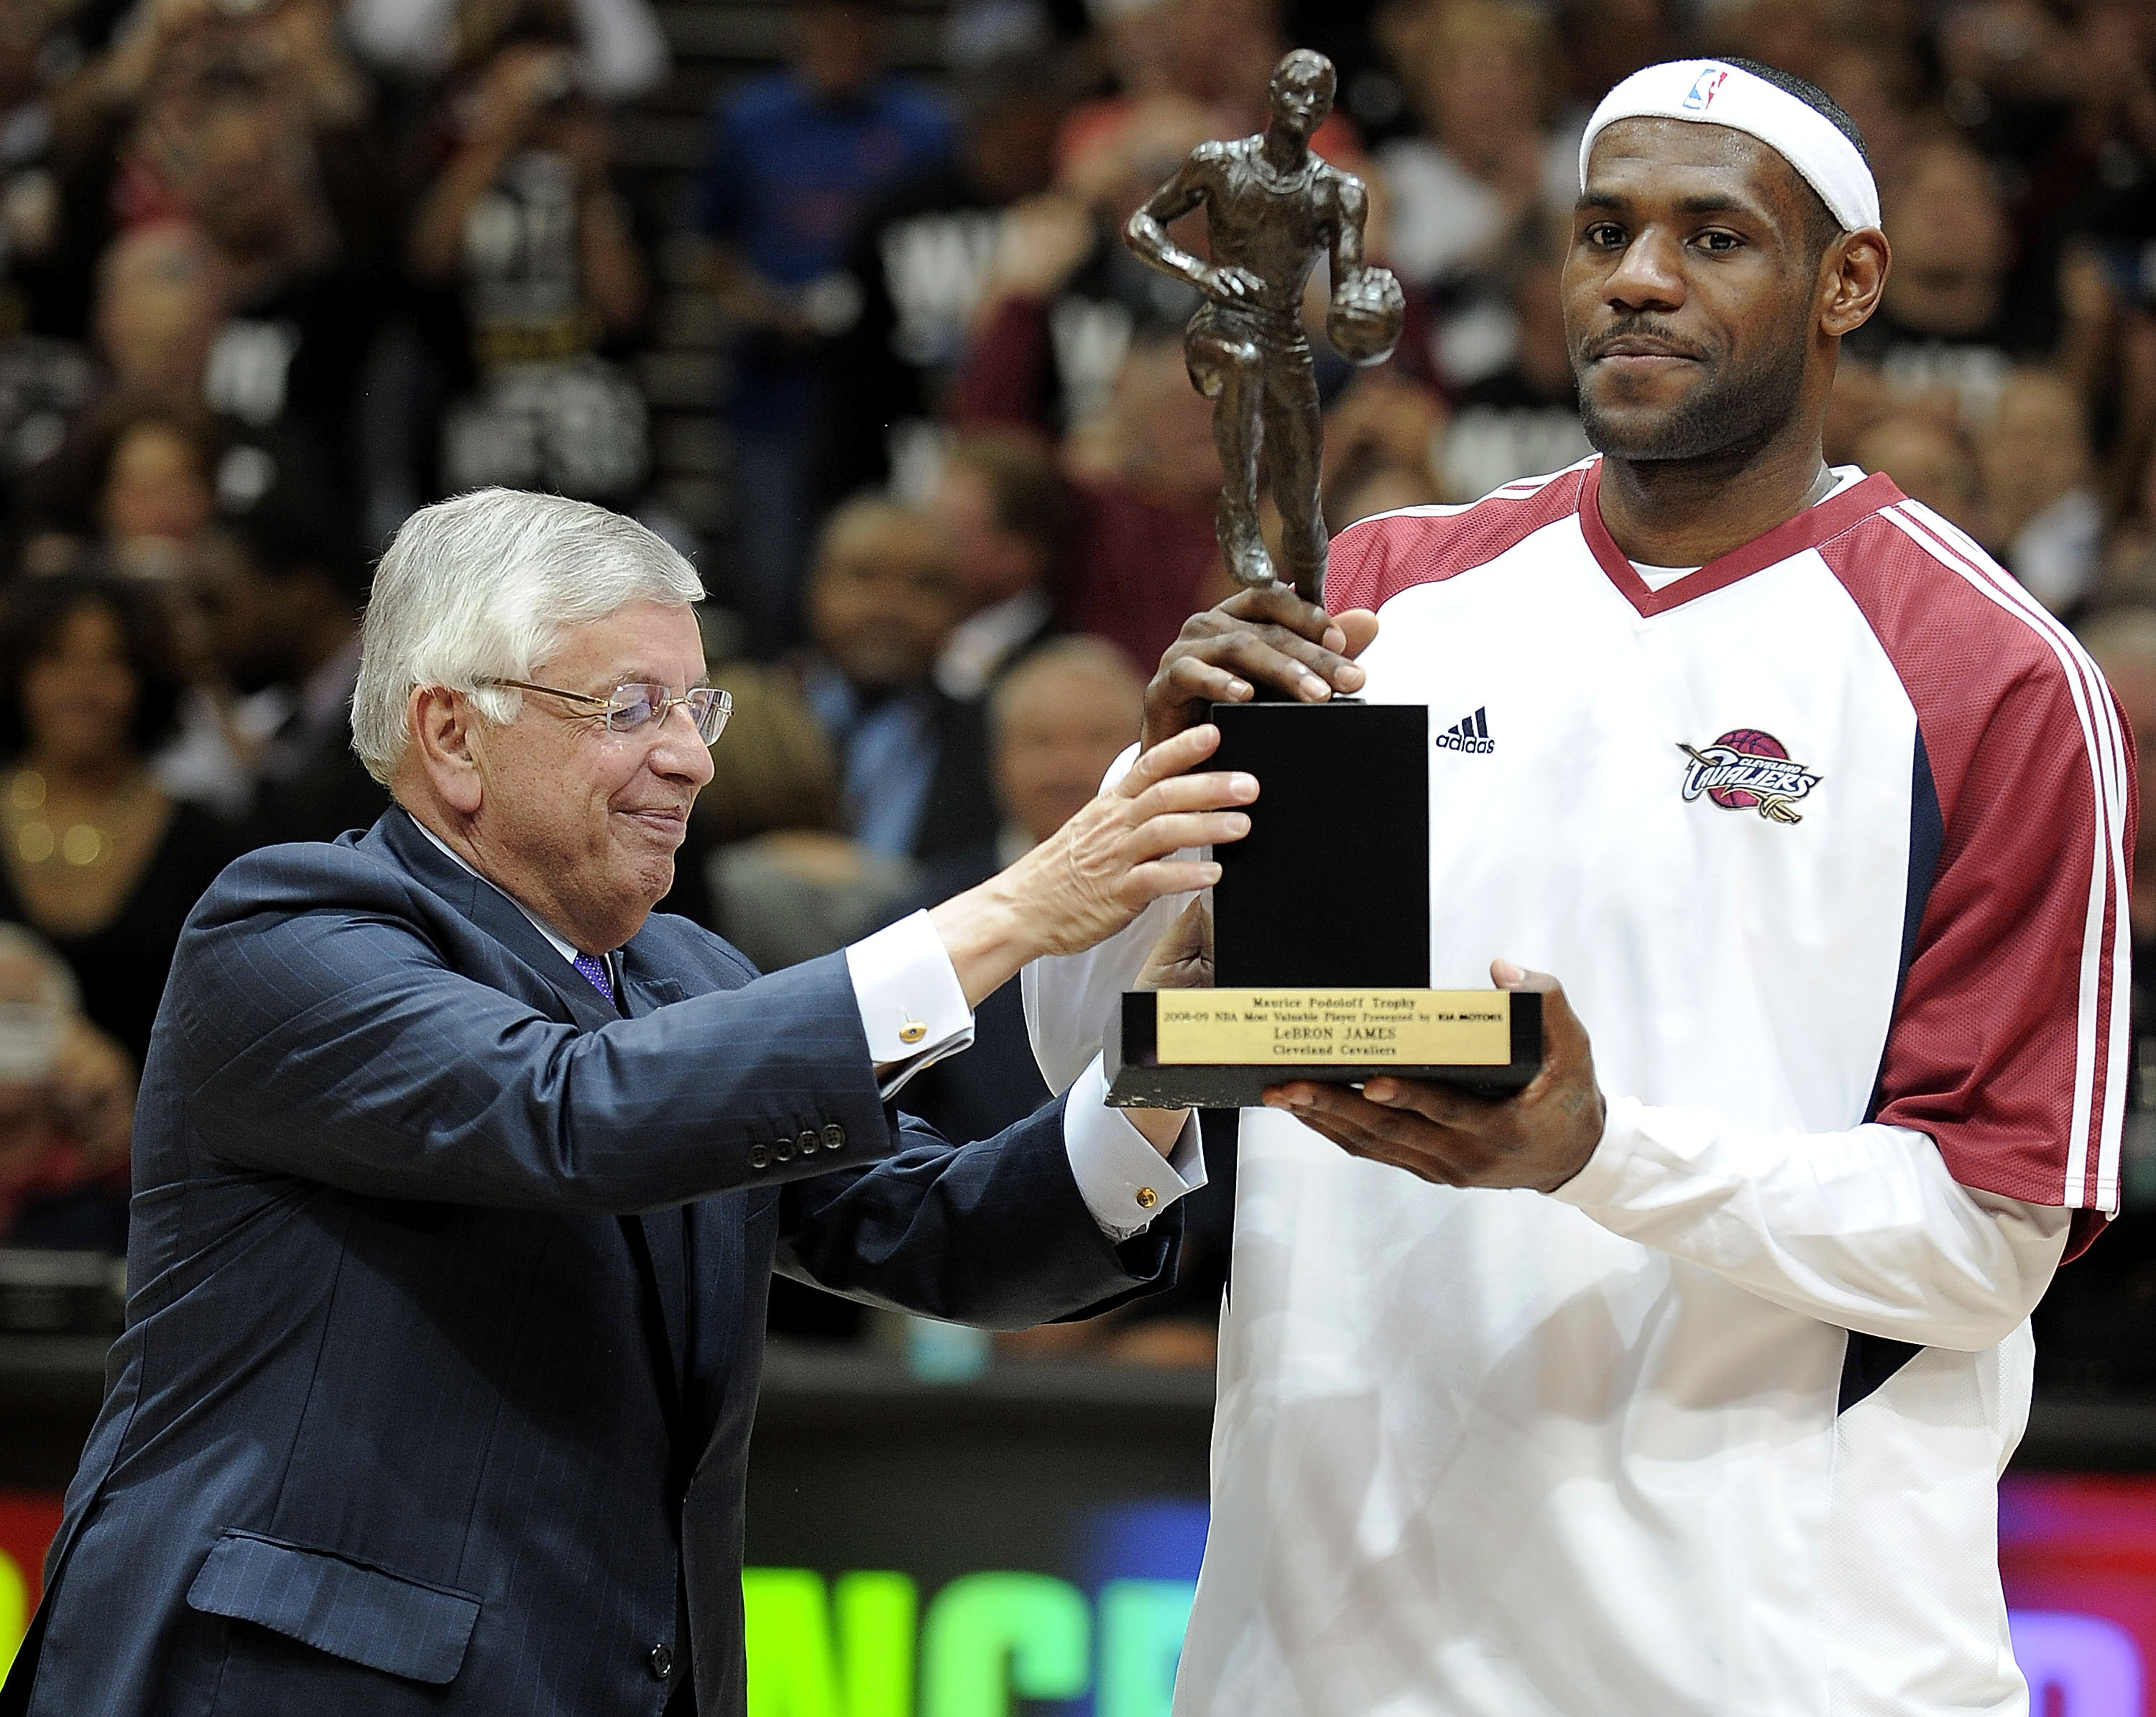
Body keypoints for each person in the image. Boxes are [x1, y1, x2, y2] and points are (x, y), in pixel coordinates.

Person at [1026, 57, 2131, 1714]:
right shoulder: (1376, 590)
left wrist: (1600, 1155)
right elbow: (1079, 1053)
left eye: (1711, 235)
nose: (1634, 275)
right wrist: (1149, 864)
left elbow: (1986, 1238)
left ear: (1847, 283)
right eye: (1601, 229)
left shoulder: (1989, 679)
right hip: (1323, 1655)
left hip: (1768, 1665)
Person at [0, 486, 1256, 1716]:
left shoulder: (688, 975)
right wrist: (1013, 911)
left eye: (696, 704)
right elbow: (571, 1112)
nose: (695, 753)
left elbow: (941, 1231)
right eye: (630, 706)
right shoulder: (286, 928)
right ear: (451, 732)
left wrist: (1164, 1049)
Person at [1123, 47, 1399, 599]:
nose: (1303, 106)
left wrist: (1378, 318)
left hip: (1286, 340)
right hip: (1217, 325)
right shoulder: (1218, 164)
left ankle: (1309, 603)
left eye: (1317, 98)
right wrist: (1203, 273)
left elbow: (1345, 310)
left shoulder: (1339, 193)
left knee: (1302, 499)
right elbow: (1142, 227)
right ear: (1273, 97)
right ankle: (1240, 516)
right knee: (1243, 363)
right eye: (1294, 92)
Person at [0, 571, 236, 1067]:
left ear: (146, 678)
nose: (82, 686)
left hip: (149, 1133)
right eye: (56, 657)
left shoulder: (205, 842)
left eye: (110, 661)